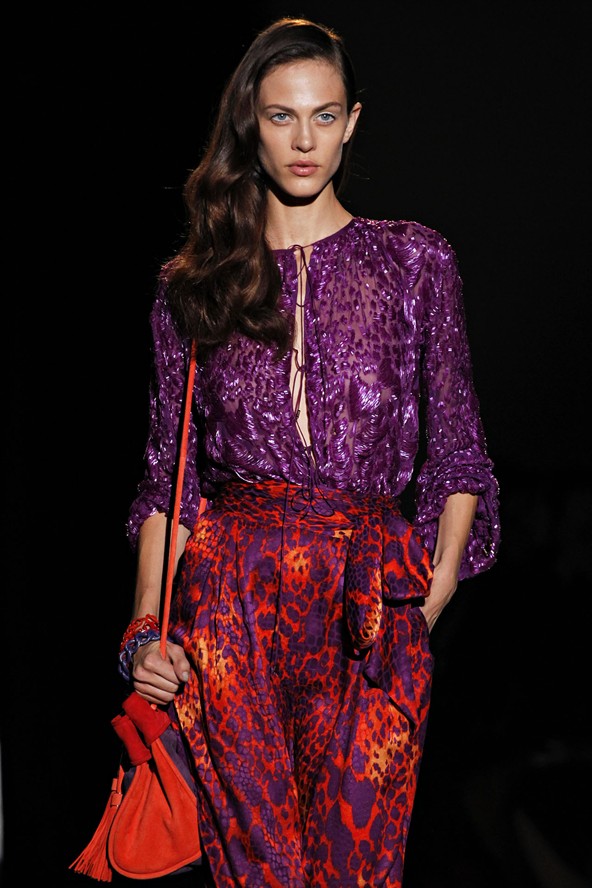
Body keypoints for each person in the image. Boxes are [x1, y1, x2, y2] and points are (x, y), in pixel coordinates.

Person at [122, 16, 501, 888]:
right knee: (261, 873)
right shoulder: (195, 286)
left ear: (353, 122)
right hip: (231, 608)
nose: (304, 141)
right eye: (282, 116)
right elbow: (168, 482)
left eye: (324, 116)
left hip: (370, 603)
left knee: (357, 866)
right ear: (250, 123)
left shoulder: (415, 262)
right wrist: (144, 630)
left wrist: (428, 599)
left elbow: (458, 455)